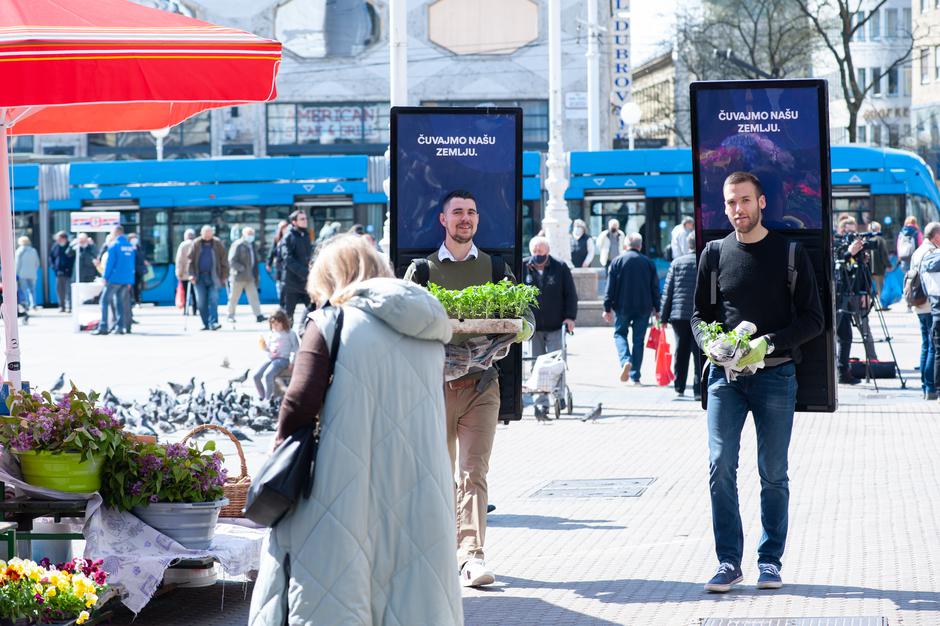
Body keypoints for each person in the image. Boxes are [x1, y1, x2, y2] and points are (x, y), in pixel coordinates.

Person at [249, 234, 463, 626]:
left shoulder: (333, 321)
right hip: (418, 487)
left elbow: (298, 403)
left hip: (342, 483)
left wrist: (278, 454)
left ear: (333, 278)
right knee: (408, 597)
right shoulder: (427, 333)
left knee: (337, 592)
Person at [692, 171, 823, 593]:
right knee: (719, 467)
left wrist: (767, 344)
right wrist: (710, 343)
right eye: (731, 203)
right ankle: (729, 561)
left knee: (772, 472)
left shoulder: (789, 254)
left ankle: (770, 561)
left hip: (776, 376)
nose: (737, 210)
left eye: (745, 201)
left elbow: (814, 320)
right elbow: (698, 316)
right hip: (724, 379)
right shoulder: (713, 254)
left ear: (762, 202)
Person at [403, 188, 531, 588]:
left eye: (471, 213)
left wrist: (515, 331)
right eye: (457, 212)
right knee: (436, 474)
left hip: (482, 386)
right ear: (443, 220)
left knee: (473, 473)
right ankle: (438, 552)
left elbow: (523, 315)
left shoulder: (496, 269)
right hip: (433, 388)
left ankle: (472, 556)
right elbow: (400, 320)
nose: (465, 219)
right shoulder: (421, 271)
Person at [522, 236, 578, 418]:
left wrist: (570, 317)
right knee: (535, 364)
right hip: (533, 327)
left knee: (556, 364)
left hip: (556, 324)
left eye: (541, 252)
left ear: (548, 251)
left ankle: (559, 395)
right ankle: (541, 402)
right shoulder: (524, 267)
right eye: (535, 252)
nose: (538, 255)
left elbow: (570, 294)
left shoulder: (560, 267)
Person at [602, 232, 660, 384]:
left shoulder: (617, 261)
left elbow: (610, 287)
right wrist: (657, 308)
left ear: (626, 245)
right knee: (638, 341)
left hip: (622, 306)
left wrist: (607, 307)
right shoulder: (648, 262)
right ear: (640, 246)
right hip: (644, 307)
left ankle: (625, 360)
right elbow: (654, 287)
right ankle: (635, 376)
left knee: (620, 334)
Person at [661, 231, 701, 399]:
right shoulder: (703, 261)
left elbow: (668, 292)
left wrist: (663, 317)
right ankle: (699, 390)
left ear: (688, 245)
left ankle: (679, 387)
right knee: (699, 351)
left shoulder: (677, 263)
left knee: (681, 350)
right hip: (699, 315)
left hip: (679, 316)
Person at [93, 225, 136, 335]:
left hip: (114, 279)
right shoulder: (130, 246)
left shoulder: (114, 246)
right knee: (120, 303)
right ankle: (120, 327)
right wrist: (131, 280)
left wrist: (105, 277)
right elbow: (131, 264)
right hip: (126, 279)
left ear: (115, 233)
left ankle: (103, 326)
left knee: (104, 301)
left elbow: (110, 264)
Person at [914, 222, 940, 400]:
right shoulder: (932, 253)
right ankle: (930, 387)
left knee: (926, 345)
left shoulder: (918, 251)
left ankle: (925, 385)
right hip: (931, 304)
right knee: (933, 347)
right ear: (936, 236)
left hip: (919, 304)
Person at [186, 225, 228, 331]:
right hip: (199, 277)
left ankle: (214, 322)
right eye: (205, 233)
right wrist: (191, 274)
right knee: (201, 301)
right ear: (201, 233)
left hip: (214, 276)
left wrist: (224, 276)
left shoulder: (217, 243)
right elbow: (189, 260)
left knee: (213, 299)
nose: (207, 235)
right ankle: (205, 323)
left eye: (209, 233)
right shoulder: (196, 243)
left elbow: (224, 261)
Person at [252, 309, 298, 400]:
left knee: (268, 375)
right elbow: (269, 349)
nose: (274, 326)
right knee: (256, 376)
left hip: (282, 359)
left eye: (277, 324)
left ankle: (268, 399)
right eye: (272, 324)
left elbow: (297, 349)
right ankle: (262, 396)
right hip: (271, 358)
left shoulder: (290, 333)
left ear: (283, 323)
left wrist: (293, 362)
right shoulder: (272, 333)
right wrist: (264, 346)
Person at [279, 210, 312, 325]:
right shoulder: (288, 237)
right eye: (302, 219)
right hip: (291, 284)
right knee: (288, 316)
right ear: (294, 222)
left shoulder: (306, 235)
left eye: (306, 218)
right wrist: (304, 272)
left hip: (307, 283)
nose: (305, 221)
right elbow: (287, 259)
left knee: (313, 311)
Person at [227, 226, 265, 323]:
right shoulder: (238, 245)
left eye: (252, 234)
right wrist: (241, 268)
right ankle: (230, 315)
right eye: (249, 234)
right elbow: (231, 261)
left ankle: (258, 315)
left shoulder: (252, 245)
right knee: (234, 297)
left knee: (254, 296)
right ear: (244, 234)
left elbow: (255, 261)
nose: (251, 236)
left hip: (250, 277)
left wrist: (256, 275)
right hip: (238, 277)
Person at [868, 221, 891, 308]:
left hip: (868, 269)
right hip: (879, 268)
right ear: (878, 229)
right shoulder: (880, 240)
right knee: (880, 287)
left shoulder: (867, 239)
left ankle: (867, 304)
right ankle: (882, 305)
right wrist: (888, 265)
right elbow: (884, 254)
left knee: (868, 287)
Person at [266, 220, 289, 307]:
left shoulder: (291, 237)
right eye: (283, 228)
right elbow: (272, 251)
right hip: (279, 266)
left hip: (288, 266)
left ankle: (286, 303)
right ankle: (282, 302)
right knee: (280, 285)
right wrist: (269, 263)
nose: (285, 229)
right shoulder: (277, 239)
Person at [175, 229, 197, 315]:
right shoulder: (196, 244)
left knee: (185, 293)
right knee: (194, 293)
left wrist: (179, 272)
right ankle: (195, 309)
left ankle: (186, 310)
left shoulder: (183, 245)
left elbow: (179, 260)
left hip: (184, 274)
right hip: (195, 274)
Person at [49, 231, 73, 313]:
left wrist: (69, 268)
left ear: (64, 238)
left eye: (59, 239)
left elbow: (72, 259)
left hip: (68, 272)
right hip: (58, 272)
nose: (57, 240)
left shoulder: (70, 246)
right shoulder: (55, 246)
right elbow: (51, 257)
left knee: (68, 290)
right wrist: (53, 267)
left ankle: (69, 306)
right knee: (60, 290)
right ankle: (62, 306)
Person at [14, 236, 40, 310]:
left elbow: (17, 264)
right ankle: (34, 304)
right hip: (32, 274)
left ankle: (26, 304)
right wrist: (34, 270)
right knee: (32, 290)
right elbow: (37, 263)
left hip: (22, 274)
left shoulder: (19, 251)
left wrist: (16, 273)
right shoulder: (33, 250)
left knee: (24, 289)